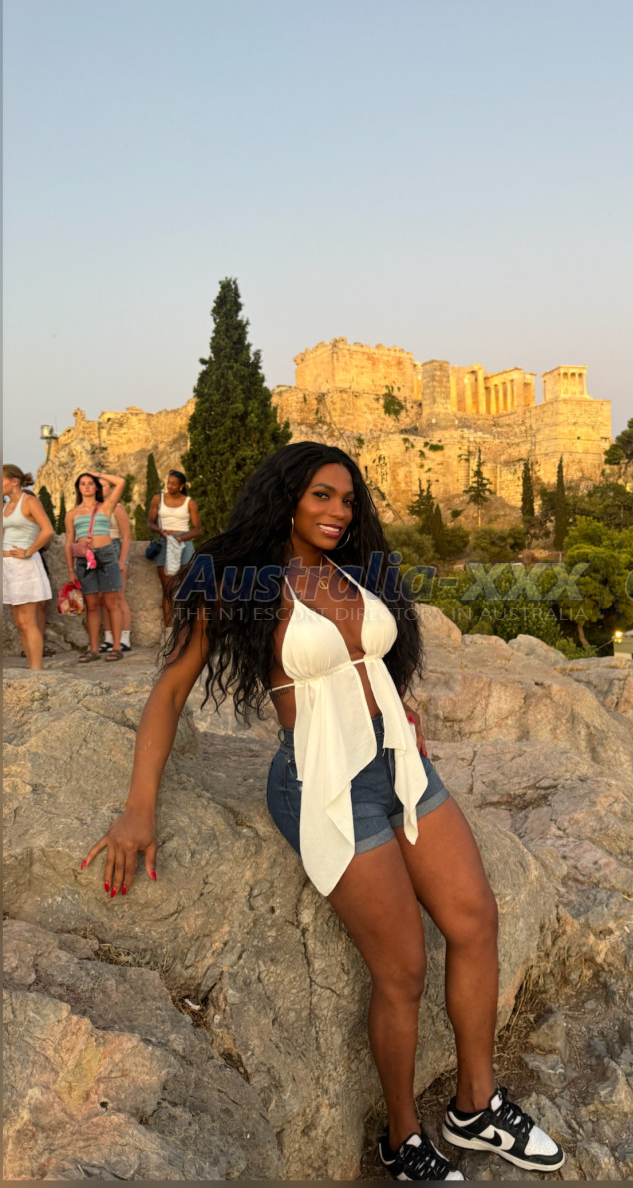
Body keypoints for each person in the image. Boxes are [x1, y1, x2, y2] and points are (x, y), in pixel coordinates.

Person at [81, 442, 566, 1181]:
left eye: (347, 499)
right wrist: (137, 808)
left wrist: (397, 709)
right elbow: (171, 689)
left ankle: (476, 1106)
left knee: (476, 921)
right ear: (286, 499)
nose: (338, 511)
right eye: (321, 496)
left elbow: (371, 660)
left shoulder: (355, 570)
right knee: (402, 969)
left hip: (398, 761)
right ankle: (402, 1139)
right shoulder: (239, 582)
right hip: (322, 780)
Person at [64, 472, 127, 662]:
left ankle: (116, 647)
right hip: (84, 560)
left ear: (96, 487)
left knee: (111, 603)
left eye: (90, 483)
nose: (87, 486)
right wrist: (70, 570)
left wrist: (97, 474)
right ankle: (93, 650)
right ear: (78, 488)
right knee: (91, 606)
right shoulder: (72, 514)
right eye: (83, 483)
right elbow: (68, 543)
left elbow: (121, 481)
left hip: (106, 555)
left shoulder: (106, 506)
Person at [2, 464, 55, 669]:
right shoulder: (6, 506)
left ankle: (36, 670)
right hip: (7, 567)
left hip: (24, 566)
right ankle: (31, 667)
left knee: (28, 621)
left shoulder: (30, 501)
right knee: (19, 623)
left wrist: (29, 551)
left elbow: (48, 530)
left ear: (14, 482)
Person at [148, 470, 202, 627]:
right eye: (168, 483)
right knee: (168, 590)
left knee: (188, 587)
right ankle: (169, 629)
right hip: (165, 542)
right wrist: (161, 531)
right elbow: (150, 523)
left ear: (181, 486)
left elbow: (197, 530)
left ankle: (190, 626)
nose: (169, 486)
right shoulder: (158, 499)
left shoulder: (189, 503)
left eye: (173, 484)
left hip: (184, 543)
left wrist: (181, 538)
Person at [100, 501, 132, 652]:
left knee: (119, 596)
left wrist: (122, 560)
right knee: (103, 598)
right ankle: (109, 638)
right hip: (99, 549)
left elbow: (126, 535)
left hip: (115, 548)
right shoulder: (94, 507)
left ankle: (125, 638)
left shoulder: (117, 507)